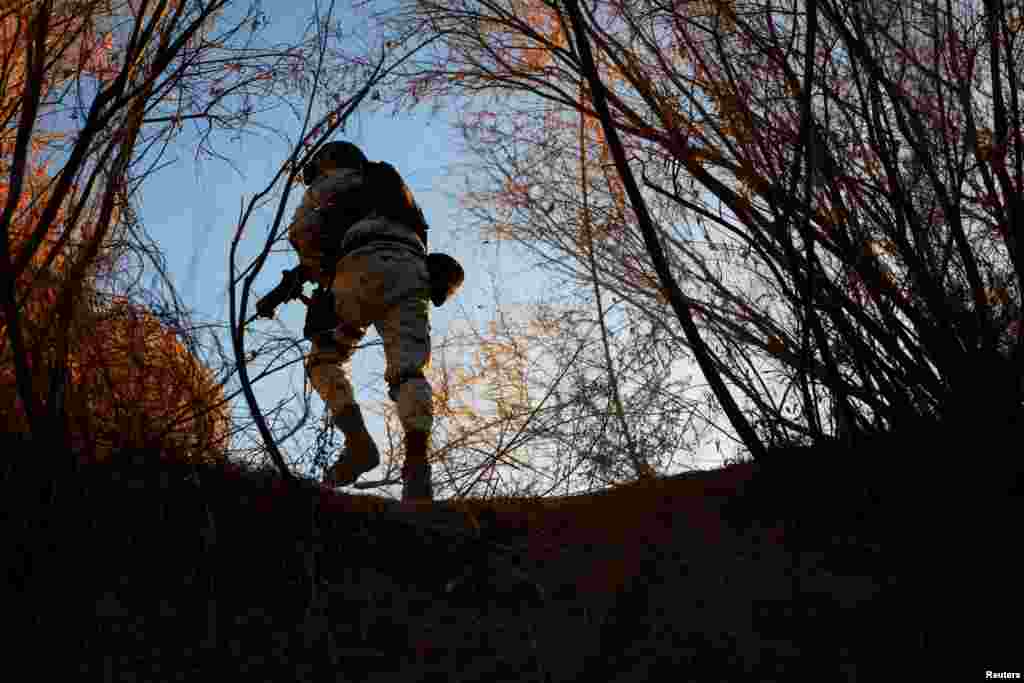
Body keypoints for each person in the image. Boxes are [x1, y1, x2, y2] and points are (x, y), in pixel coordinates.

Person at [283, 141, 435, 503]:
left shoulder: (336, 180)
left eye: (318, 169)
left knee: (324, 360)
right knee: (409, 371)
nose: (316, 177)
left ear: (330, 162)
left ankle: (358, 445)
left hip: (359, 268)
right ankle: (417, 470)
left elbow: (302, 232)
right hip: (413, 269)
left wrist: (319, 272)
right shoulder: (394, 190)